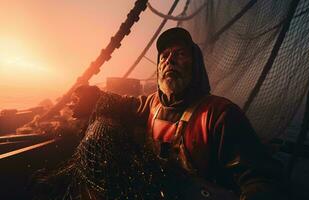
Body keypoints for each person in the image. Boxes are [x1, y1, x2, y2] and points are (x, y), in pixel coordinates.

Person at [73, 27, 285, 199]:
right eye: (164, 56)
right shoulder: (151, 104)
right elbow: (122, 104)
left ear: (196, 66)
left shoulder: (220, 114)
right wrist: (94, 96)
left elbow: (262, 180)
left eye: (180, 54)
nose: (169, 60)